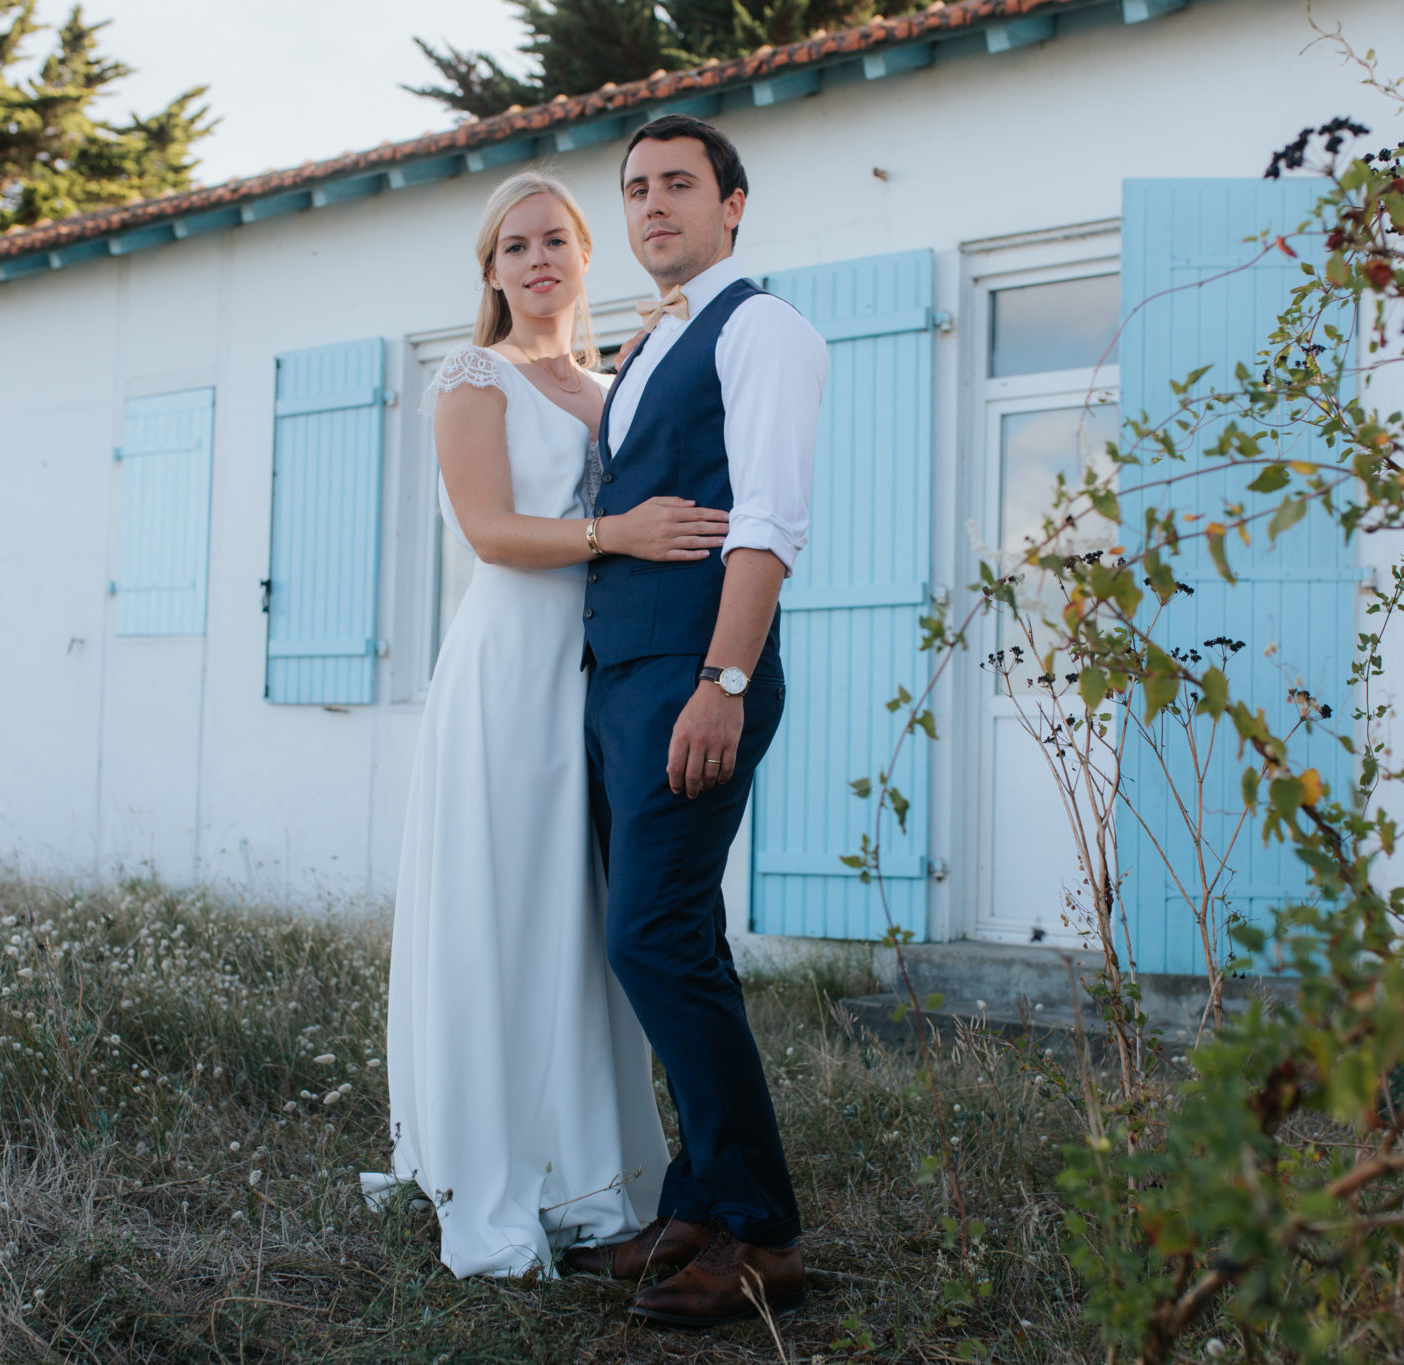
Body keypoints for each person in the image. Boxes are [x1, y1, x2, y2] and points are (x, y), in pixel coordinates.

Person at [374, 170, 733, 1279]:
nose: (536, 261)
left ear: (586, 257)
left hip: (594, 677)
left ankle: (590, 1176)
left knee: (580, 919)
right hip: (503, 671)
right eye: (513, 247)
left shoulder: (608, 382)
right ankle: (488, 1171)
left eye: (555, 243)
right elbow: (488, 529)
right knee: (499, 905)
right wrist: (618, 534)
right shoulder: (472, 374)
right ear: (490, 272)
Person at [560, 114, 828, 1328]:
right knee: (674, 944)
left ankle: (759, 1230)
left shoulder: (761, 327)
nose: (652, 204)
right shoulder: (647, 341)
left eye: (678, 184)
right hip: (622, 677)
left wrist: (721, 682)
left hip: (691, 675)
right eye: (634, 189)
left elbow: (766, 518)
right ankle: (696, 1199)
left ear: (732, 206)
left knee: (651, 942)